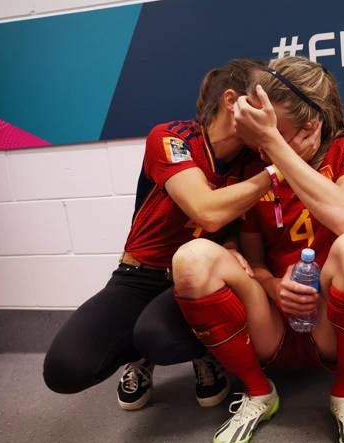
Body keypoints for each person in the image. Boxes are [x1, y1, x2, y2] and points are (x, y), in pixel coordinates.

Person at [172, 56, 344, 443]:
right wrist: (275, 285)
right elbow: (253, 263)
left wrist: (275, 147)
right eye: (260, 136)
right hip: (272, 319)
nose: (260, 145)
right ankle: (258, 391)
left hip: (328, 323)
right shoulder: (254, 168)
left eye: (272, 133)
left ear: (311, 127)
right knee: (191, 260)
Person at [43, 59, 273, 411]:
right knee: (65, 369)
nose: (272, 111)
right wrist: (276, 172)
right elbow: (206, 211)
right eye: (264, 98)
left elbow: (235, 225)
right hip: (140, 274)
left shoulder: (253, 160)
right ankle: (138, 357)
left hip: (196, 279)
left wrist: (230, 244)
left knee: (158, 338)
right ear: (232, 101)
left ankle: (205, 351)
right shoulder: (172, 137)